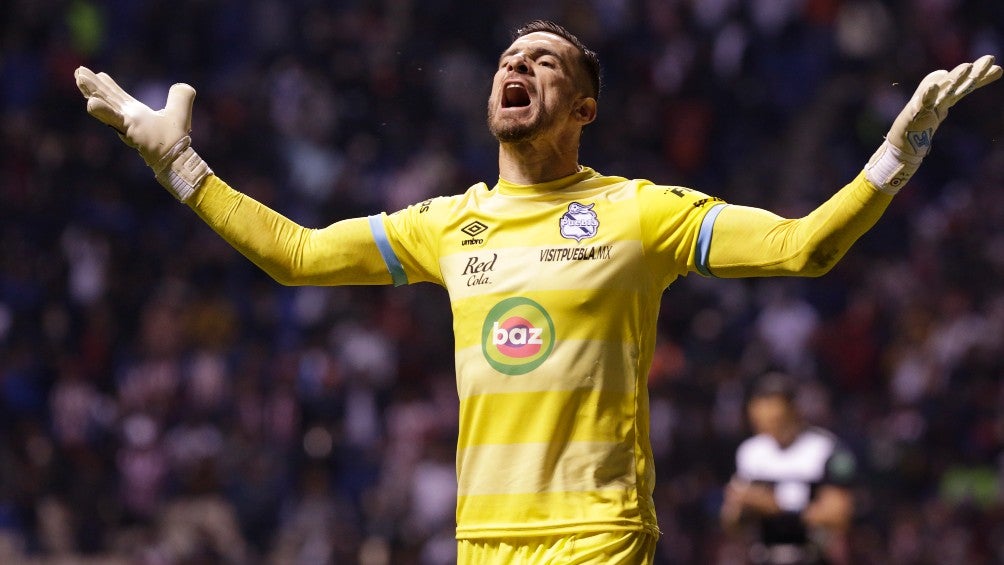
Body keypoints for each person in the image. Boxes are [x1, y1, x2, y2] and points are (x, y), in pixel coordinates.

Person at [73, 19, 1000, 565]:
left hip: (598, 532)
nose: (517, 67)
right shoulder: (448, 222)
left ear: (585, 108)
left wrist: (898, 151)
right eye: (509, 59)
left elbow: (805, 249)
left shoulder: (642, 213)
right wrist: (180, 165)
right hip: (483, 539)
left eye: (544, 61)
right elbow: (299, 255)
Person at [721, 373, 856, 565]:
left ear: (793, 409)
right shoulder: (751, 452)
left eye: (774, 414)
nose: (766, 420)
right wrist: (739, 507)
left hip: (811, 556)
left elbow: (839, 514)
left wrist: (779, 508)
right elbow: (732, 521)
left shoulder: (823, 448)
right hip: (764, 556)